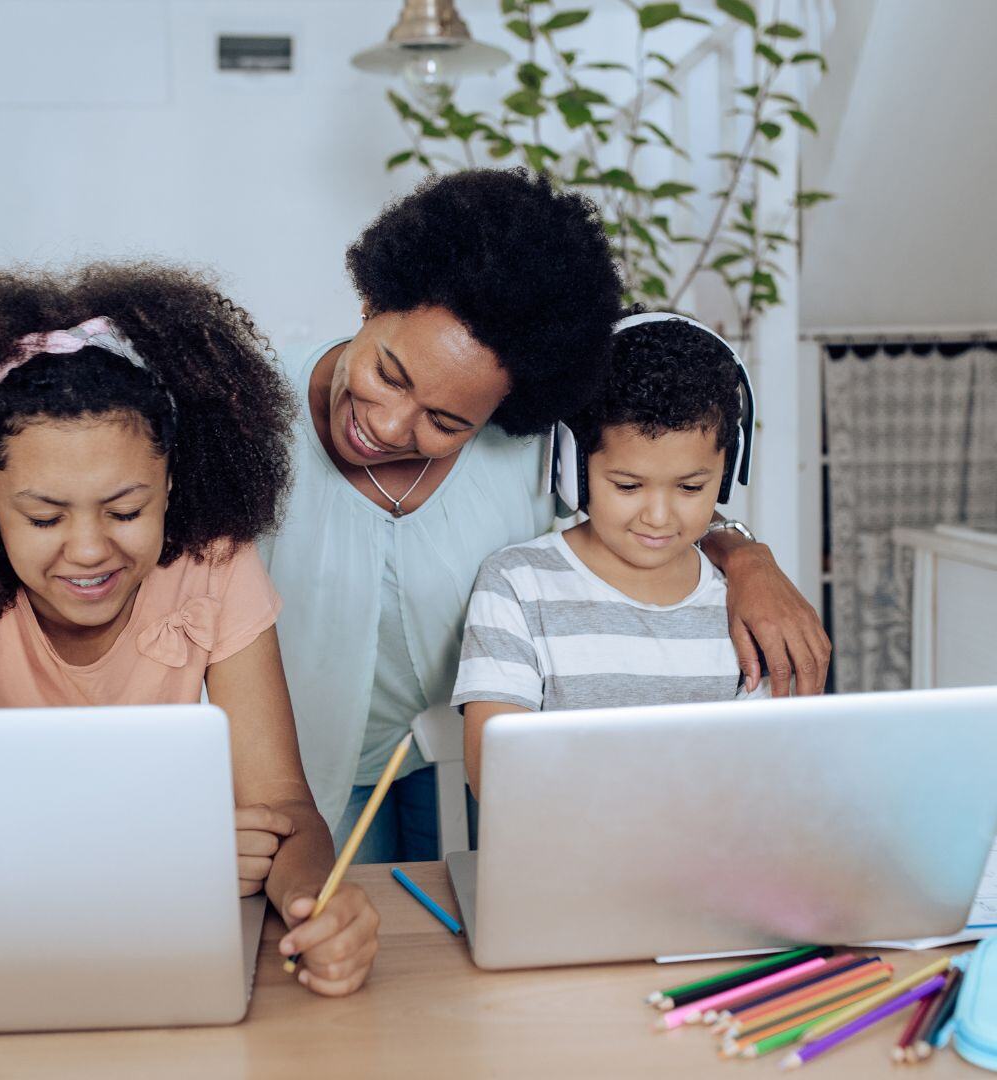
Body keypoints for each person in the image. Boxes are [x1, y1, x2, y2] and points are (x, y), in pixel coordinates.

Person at [257, 169, 831, 862]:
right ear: (373, 299)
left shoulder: (528, 447)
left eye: (445, 420)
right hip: (296, 778)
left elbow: (646, 495)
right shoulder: (249, 415)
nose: (387, 424)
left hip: (448, 760)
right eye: (388, 373)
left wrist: (745, 555)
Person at [0, 264, 378, 997]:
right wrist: (159, 852)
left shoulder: (213, 565)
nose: (91, 549)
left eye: (126, 510)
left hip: (158, 960)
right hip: (4, 958)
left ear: (171, 483)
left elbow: (286, 809)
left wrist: (313, 903)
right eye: (44, 518)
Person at [453, 314, 773, 795]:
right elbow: (496, 778)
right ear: (572, 468)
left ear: (728, 473)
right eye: (627, 485)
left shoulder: (745, 604)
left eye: (691, 486)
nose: (659, 517)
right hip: (567, 860)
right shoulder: (516, 585)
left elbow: (767, 776)